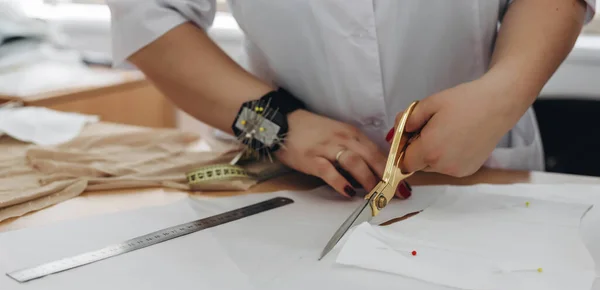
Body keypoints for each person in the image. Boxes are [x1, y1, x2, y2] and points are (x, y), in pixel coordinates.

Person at [107, 0, 595, 199]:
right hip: (280, 172)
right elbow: (149, 17)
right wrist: (277, 127)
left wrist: (502, 93)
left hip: (483, 166)